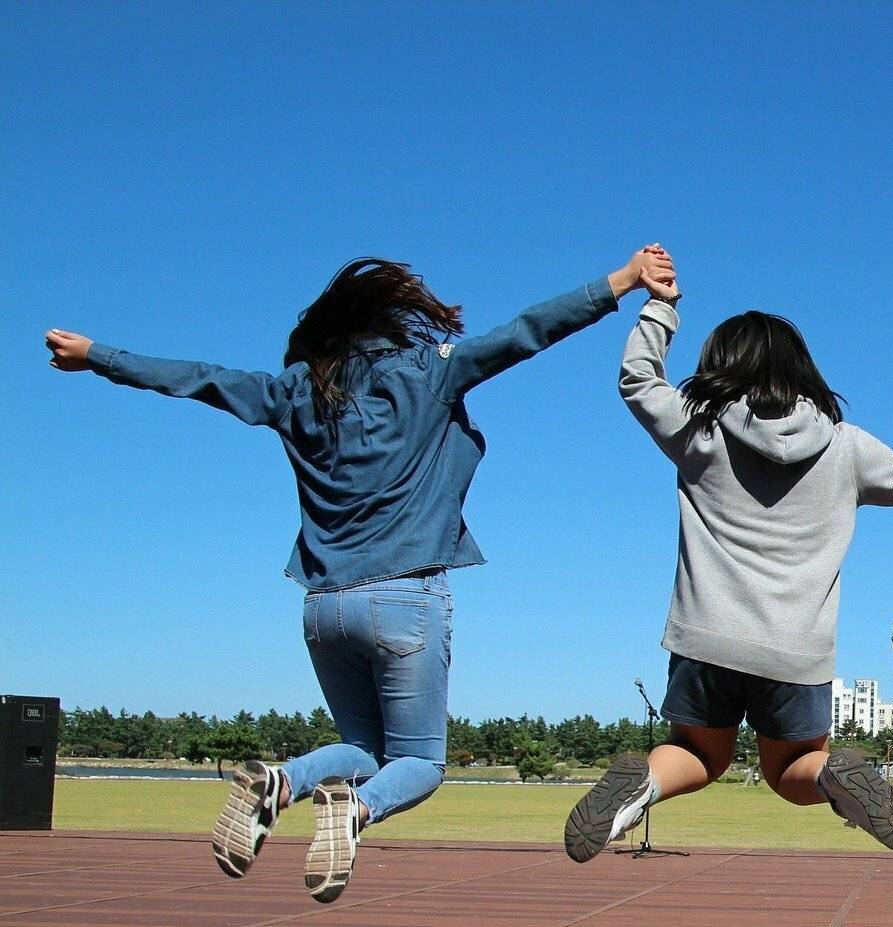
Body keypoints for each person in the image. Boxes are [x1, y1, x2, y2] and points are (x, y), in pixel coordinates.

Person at [44, 247, 665, 902]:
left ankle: (281, 782)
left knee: (363, 749)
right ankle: (354, 813)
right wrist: (622, 281)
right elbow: (529, 330)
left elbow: (201, 378)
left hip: (322, 607)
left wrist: (97, 355)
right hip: (405, 598)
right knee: (421, 763)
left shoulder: (295, 392)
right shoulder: (428, 373)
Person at [562, 245, 893, 862]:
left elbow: (637, 379)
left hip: (704, 638)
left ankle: (643, 786)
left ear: (721, 366)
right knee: (792, 767)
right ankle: (831, 778)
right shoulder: (845, 448)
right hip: (797, 649)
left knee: (697, 755)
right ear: (802, 371)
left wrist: (659, 308)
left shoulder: (702, 431)